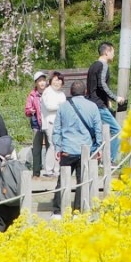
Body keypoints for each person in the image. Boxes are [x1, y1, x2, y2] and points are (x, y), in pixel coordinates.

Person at [45, 79, 95, 215]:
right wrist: (97, 148)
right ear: (85, 92)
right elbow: (98, 129)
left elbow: (57, 129)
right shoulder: (92, 106)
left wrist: (57, 147)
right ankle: (78, 210)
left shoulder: (63, 107)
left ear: (70, 92)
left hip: (67, 149)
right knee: (82, 180)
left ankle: (57, 211)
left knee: (62, 181)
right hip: (85, 149)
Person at [24, 73, 50, 173]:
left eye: (43, 80)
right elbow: (27, 110)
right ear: (36, 83)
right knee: (36, 149)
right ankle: (36, 172)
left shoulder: (49, 92)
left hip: (48, 123)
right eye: (39, 81)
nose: (42, 83)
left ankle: (49, 171)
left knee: (50, 147)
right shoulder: (32, 95)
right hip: (37, 125)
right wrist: (31, 111)